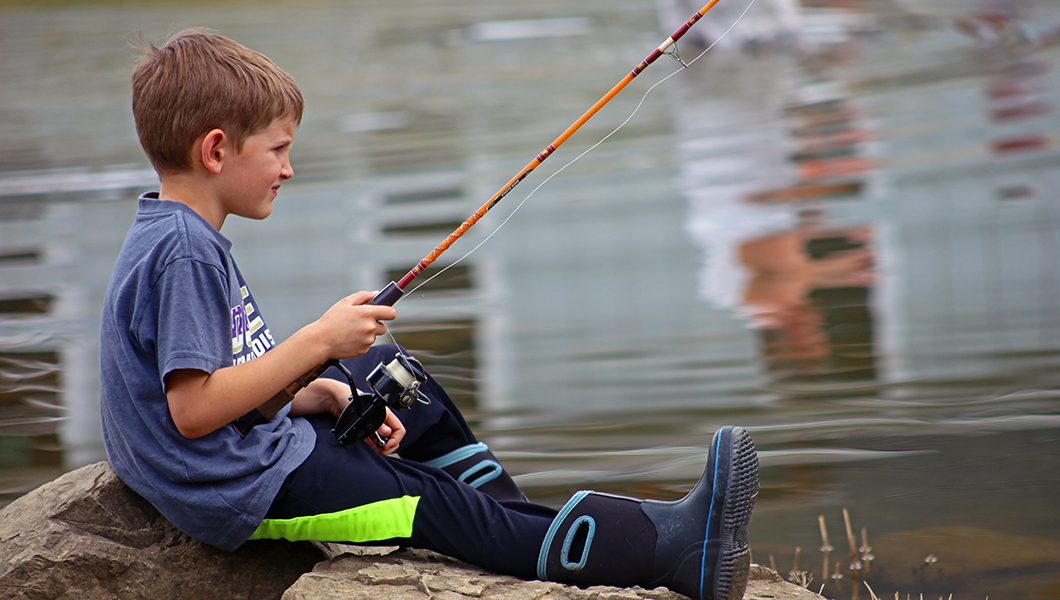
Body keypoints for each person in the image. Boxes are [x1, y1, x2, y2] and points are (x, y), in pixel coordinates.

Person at [99, 29, 760, 600]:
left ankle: (512, 521)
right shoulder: (183, 251)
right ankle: (669, 551)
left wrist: (319, 388)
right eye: (277, 150)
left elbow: (225, 387)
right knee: (431, 505)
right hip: (239, 488)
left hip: (246, 452)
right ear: (216, 152)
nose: (289, 169)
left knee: (385, 367)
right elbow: (191, 412)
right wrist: (314, 343)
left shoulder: (180, 233)